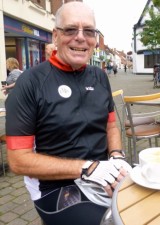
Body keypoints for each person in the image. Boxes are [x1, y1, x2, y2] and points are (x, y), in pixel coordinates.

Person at [5, 2, 131, 225]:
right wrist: (86, 168)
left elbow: (110, 126)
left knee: (150, 201)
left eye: (89, 31)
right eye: (71, 29)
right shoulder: (30, 82)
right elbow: (18, 161)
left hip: (103, 172)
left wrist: (117, 156)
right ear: (55, 36)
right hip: (55, 187)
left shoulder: (100, 77)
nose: (81, 38)